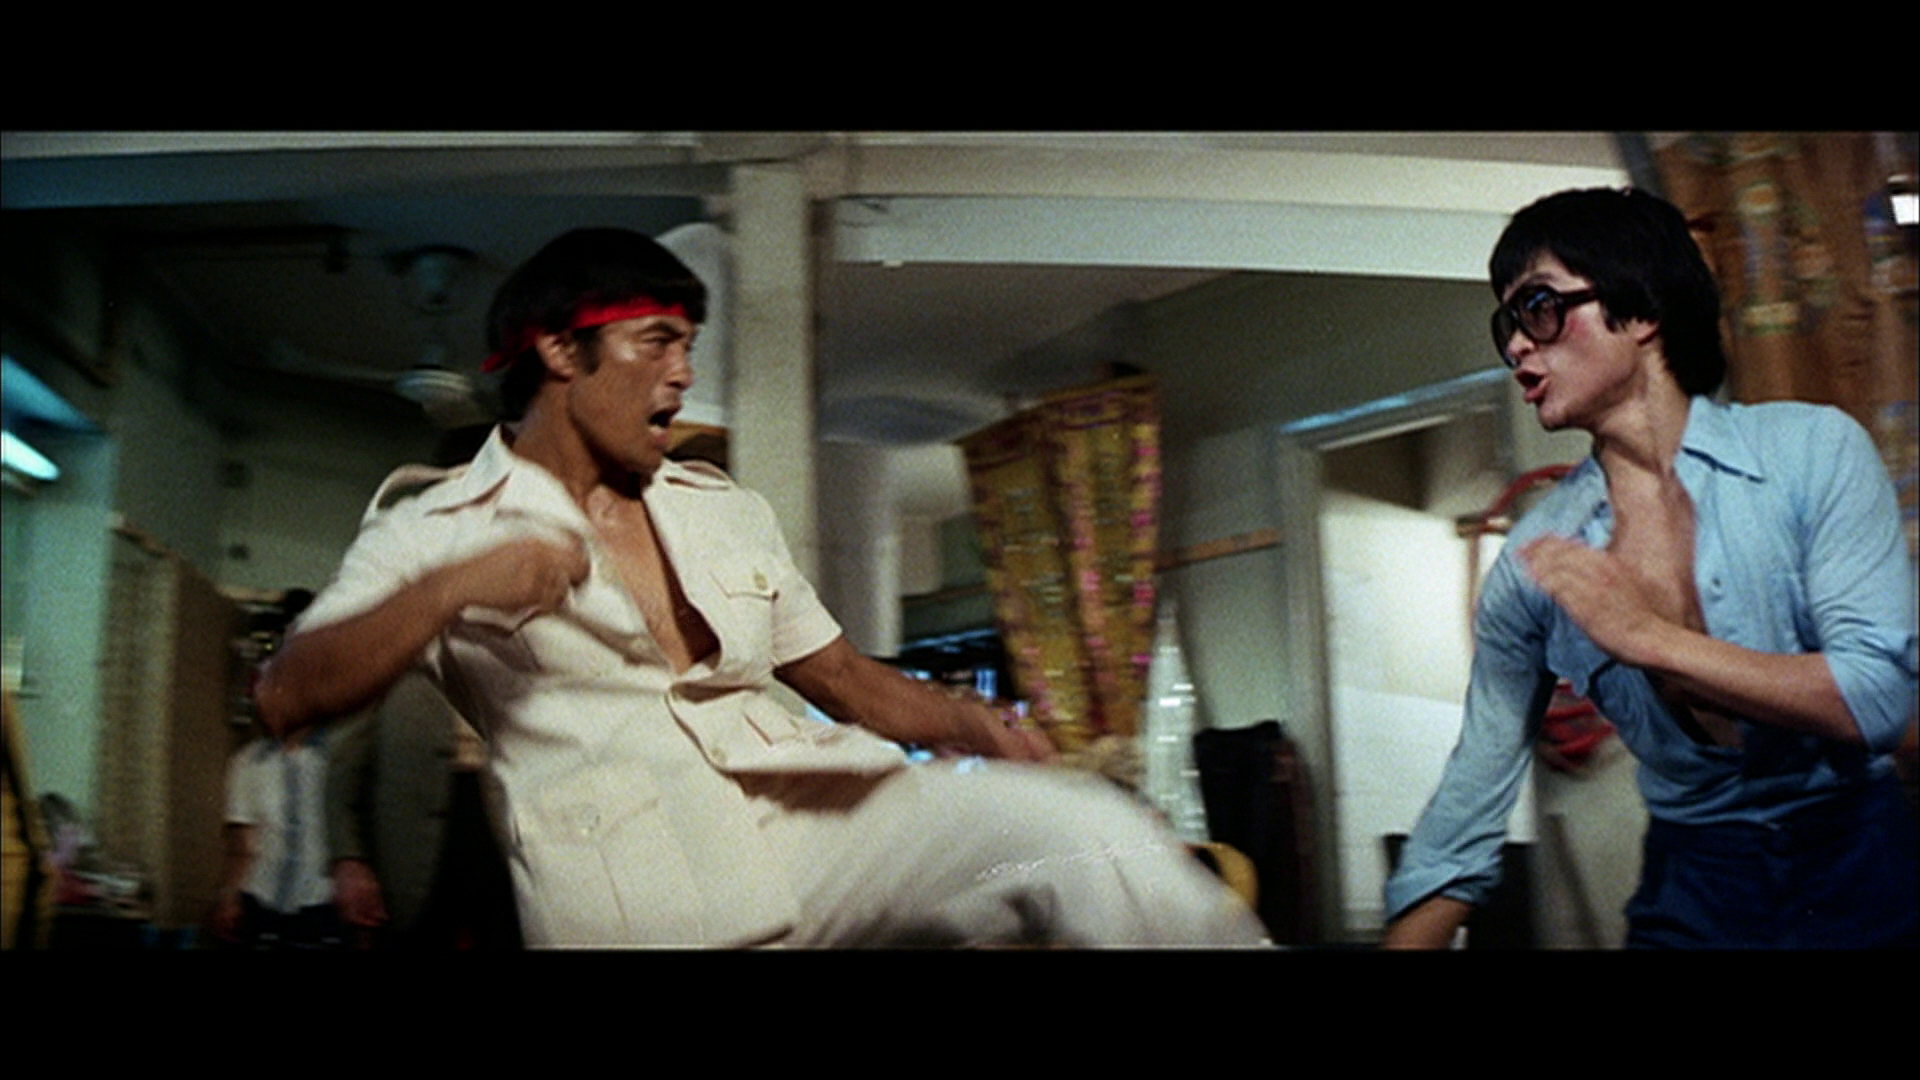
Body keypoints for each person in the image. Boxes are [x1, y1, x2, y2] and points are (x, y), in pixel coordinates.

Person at [256, 227, 1263, 948]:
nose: (683, 373)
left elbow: (842, 678)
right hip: (637, 895)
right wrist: (459, 584)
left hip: (811, 819)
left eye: (690, 346)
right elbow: (289, 692)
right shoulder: (432, 523)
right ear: (561, 349)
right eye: (658, 340)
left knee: (1081, 832)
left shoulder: (719, 507)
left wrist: (967, 720)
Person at [1383, 187, 1918, 949]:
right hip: (1693, 886)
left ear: (1639, 312)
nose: (1516, 347)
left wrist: (1648, 639)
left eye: (1539, 308)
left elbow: (1879, 698)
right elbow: (1466, 809)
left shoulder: (1811, 452)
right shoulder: (1537, 563)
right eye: (1507, 325)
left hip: (1865, 864)